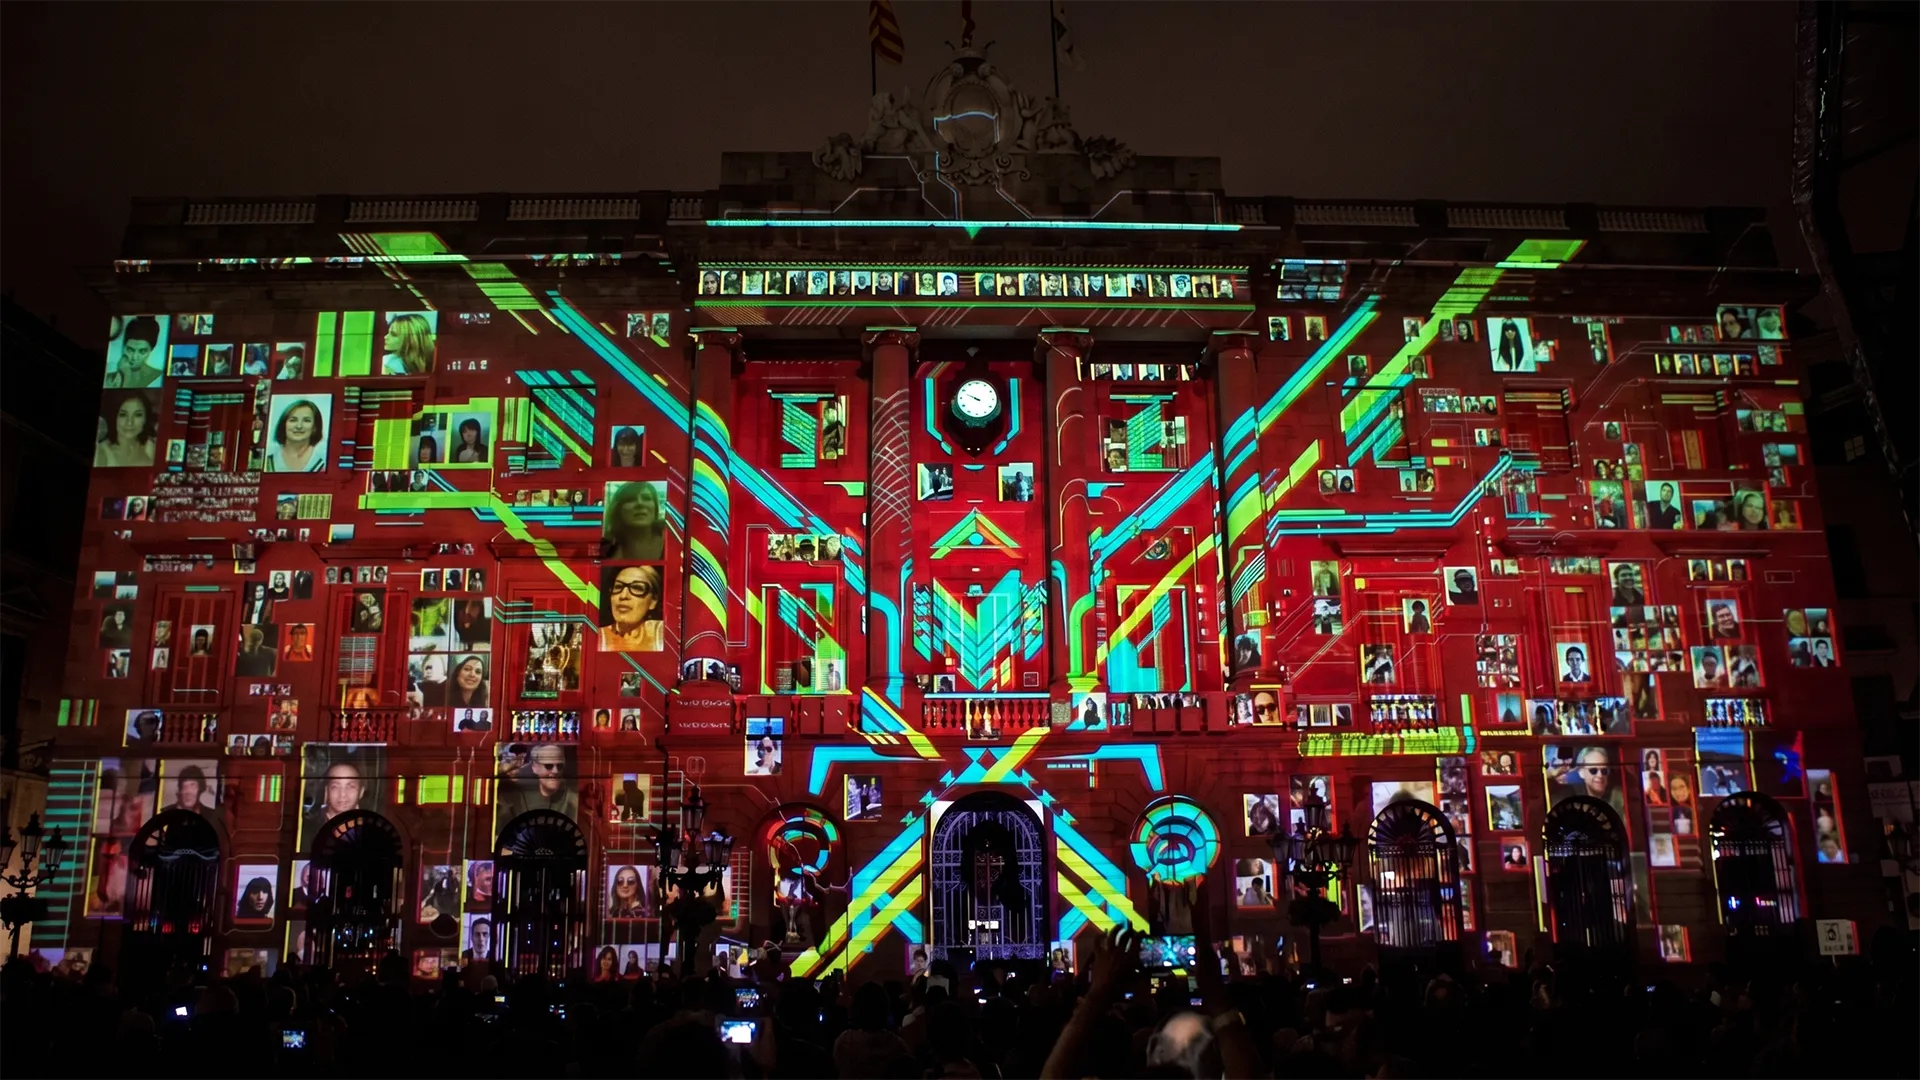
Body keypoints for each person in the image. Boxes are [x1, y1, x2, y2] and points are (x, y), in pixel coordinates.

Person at [500, 744, 577, 819]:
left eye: (560, 766)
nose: (555, 771)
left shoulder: (573, 801)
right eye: (548, 766)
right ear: (535, 767)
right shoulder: (518, 797)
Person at [599, 564, 664, 651]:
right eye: (618, 587)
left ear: (653, 601)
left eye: (637, 588)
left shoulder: (662, 632)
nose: (623, 595)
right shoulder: (595, 636)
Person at [602, 481, 666, 560]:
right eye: (630, 500)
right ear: (618, 509)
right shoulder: (605, 547)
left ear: (655, 507)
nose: (640, 503)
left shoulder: (674, 542)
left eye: (646, 498)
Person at [306, 760, 367, 834]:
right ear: (326, 791)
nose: (343, 794)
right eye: (335, 786)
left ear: (361, 792)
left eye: (351, 786)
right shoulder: (306, 829)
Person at [96, 393, 157, 467]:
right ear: (114, 417)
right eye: (123, 415)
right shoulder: (100, 453)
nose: (129, 422)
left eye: (137, 415)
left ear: (145, 418)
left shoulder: (151, 447)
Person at [266, 399, 326, 473]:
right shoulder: (267, 455)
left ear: (315, 427)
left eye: (306, 420)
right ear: (284, 425)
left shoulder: (324, 460)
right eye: (293, 420)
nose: (299, 426)